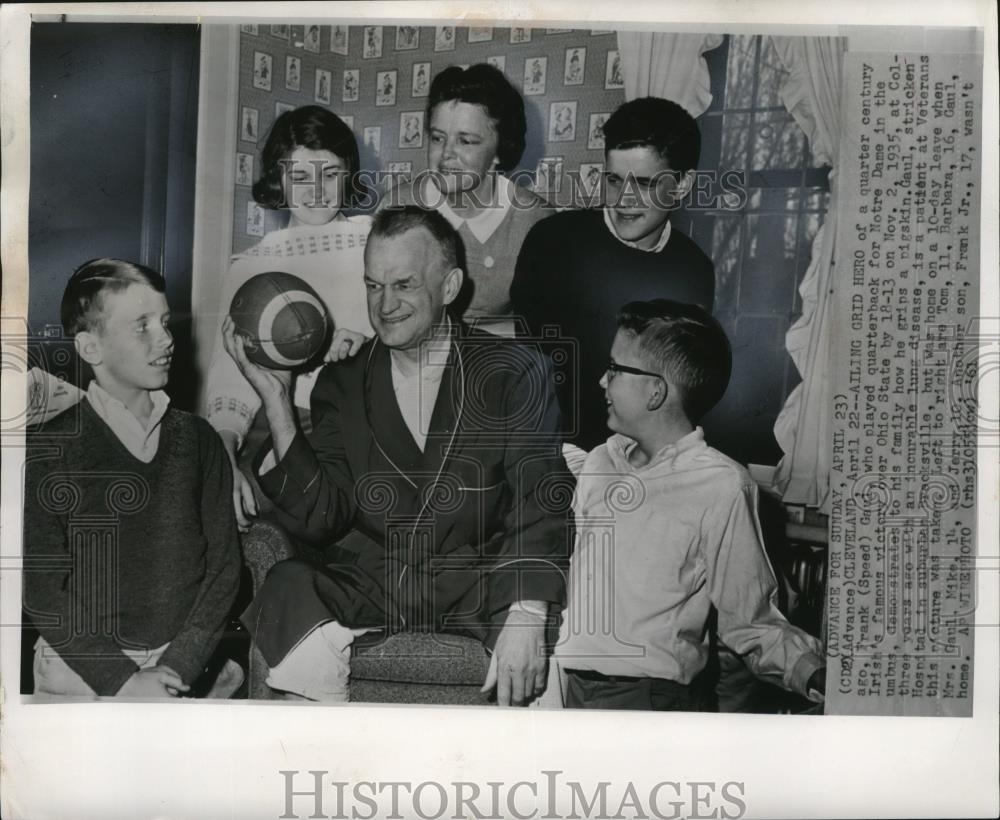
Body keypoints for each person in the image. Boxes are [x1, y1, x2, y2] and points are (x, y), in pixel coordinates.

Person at [229, 207, 571, 704]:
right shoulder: (342, 381)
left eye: (403, 285)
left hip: (478, 579)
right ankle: (324, 753)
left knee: (542, 634)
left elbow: (540, 496)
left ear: (449, 287)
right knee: (287, 585)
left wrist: (527, 614)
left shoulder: (513, 369)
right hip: (380, 577)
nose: (384, 305)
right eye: (373, 286)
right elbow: (323, 517)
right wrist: (277, 400)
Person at [552, 299, 826, 710]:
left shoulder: (721, 485)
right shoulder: (600, 461)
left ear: (656, 390)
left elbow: (752, 621)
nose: (601, 381)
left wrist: (813, 672)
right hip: (575, 689)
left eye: (614, 369)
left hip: (651, 700)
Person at [24, 259, 242, 698]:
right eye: (141, 326)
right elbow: (42, 588)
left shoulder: (200, 440)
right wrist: (121, 680)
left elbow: (224, 569)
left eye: (164, 322)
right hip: (80, 666)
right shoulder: (51, 450)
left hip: (178, 662)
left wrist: (177, 667)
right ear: (91, 347)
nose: (165, 338)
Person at [203, 105, 374, 531]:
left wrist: (366, 349)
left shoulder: (375, 240)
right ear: (278, 180)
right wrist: (225, 457)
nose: (316, 190)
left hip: (361, 427)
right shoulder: (250, 265)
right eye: (299, 177)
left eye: (330, 174)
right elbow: (230, 377)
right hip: (277, 425)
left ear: (349, 173)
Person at [511, 96, 715, 450]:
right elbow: (528, 367)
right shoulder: (553, 240)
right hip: (549, 449)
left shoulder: (694, 269)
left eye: (646, 183)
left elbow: (679, 396)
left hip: (644, 462)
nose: (624, 199)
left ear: (682, 185)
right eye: (614, 180)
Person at [387, 63, 551, 337]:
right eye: (438, 138)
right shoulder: (397, 206)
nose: (446, 154)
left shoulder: (534, 219)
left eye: (466, 141)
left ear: (500, 150)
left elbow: (542, 325)